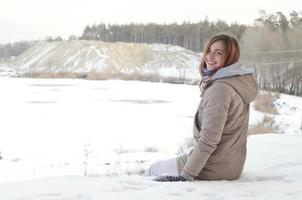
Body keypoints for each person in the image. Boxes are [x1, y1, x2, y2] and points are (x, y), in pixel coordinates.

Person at [144, 34, 258, 181]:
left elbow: (209, 139)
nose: (210, 56)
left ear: (230, 58)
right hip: (231, 166)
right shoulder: (237, 83)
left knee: (154, 169)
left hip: (212, 167)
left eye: (219, 52)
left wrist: (186, 175)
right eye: (209, 50)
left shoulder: (220, 90)